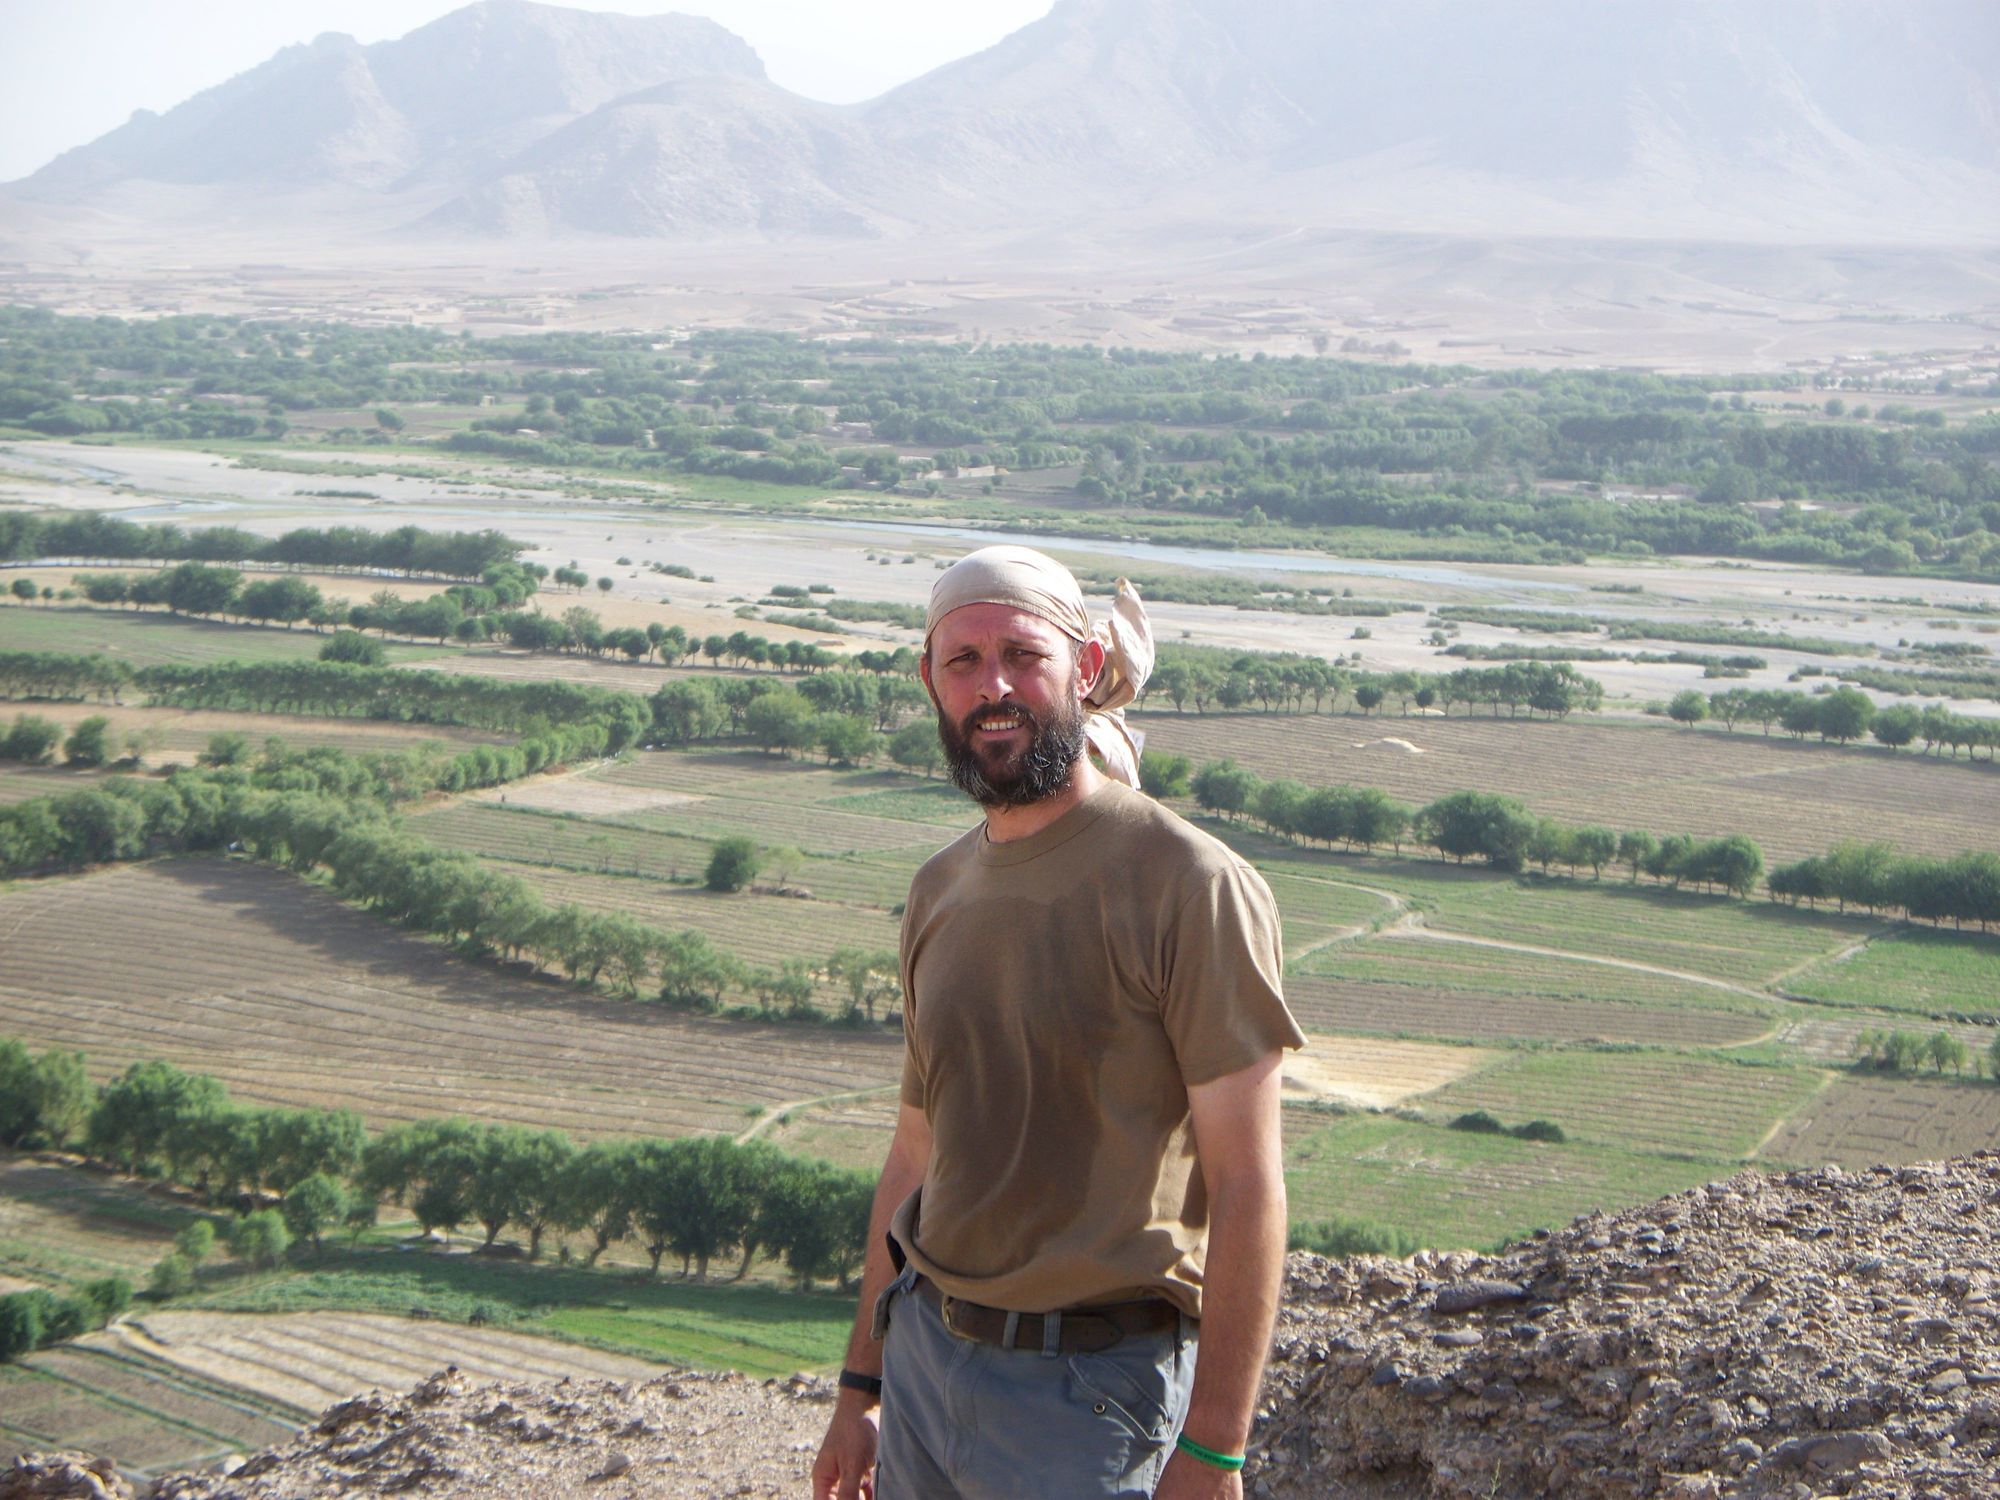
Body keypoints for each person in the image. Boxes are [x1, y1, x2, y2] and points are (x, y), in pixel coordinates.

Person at [811, 546, 1304, 1500]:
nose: (992, 686)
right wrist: (861, 1386)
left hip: (1088, 1401)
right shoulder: (937, 891)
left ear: (1083, 668)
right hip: (924, 1367)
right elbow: (915, 1156)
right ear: (930, 683)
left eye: (1021, 655)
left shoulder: (1192, 886)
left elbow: (1248, 1183)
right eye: (963, 662)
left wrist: (1214, 1451)